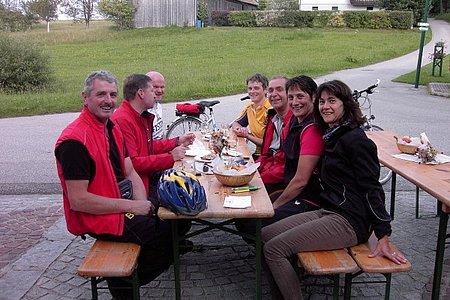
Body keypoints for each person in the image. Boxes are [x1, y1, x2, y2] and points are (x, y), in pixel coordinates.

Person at [261, 79, 408, 300]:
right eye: (321, 101)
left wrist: (383, 234)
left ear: (345, 104)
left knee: (274, 250)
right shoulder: (332, 135)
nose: (325, 106)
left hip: (350, 220)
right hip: (330, 210)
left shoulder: (356, 139)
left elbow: (372, 188)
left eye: (332, 101)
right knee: (264, 234)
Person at [54, 71, 190, 300]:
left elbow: (130, 170)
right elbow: (79, 201)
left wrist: (141, 203)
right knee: (167, 233)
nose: (108, 100)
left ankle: (125, 280)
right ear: (85, 97)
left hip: (119, 205)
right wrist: (133, 208)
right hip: (98, 216)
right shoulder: (74, 141)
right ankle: (123, 286)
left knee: (176, 216)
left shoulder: (111, 128)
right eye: (101, 94)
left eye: (112, 94)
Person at [235, 76, 323, 242]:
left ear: (313, 97)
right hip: (292, 189)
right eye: (291, 97)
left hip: (308, 198)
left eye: (300, 97)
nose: (295, 102)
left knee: (252, 222)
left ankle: (275, 254)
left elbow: (301, 180)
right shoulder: (291, 123)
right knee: (244, 217)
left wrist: (275, 205)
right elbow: (270, 156)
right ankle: (266, 253)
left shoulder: (310, 129)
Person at [112, 74, 195, 199]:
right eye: (152, 90)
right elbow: (133, 164)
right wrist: (170, 157)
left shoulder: (139, 116)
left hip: (146, 181)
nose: (155, 94)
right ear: (141, 93)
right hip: (136, 190)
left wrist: (177, 141)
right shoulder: (123, 120)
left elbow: (147, 146)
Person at [255, 76, 293, 195]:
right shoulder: (273, 117)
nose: (273, 94)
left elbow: (285, 166)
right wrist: (251, 169)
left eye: (279, 89)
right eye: (270, 90)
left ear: (289, 94)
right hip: (268, 172)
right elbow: (266, 155)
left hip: (281, 181)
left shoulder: (295, 122)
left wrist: (257, 179)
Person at [231, 73, 272, 158]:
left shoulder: (270, 110)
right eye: (250, 88)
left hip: (269, 155)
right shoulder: (250, 107)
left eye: (256, 88)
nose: (252, 91)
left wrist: (247, 135)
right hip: (258, 154)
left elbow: (268, 143)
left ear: (265, 90)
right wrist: (240, 129)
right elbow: (235, 123)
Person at [146, 71, 165, 140]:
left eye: (162, 87)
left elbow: (161, 134)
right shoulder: (143, 111)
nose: (159, 90)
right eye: (155, 87)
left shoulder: (158, 106)